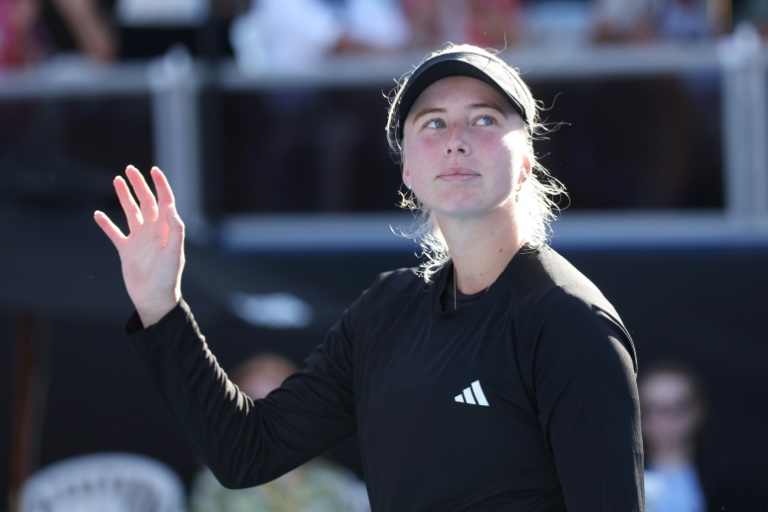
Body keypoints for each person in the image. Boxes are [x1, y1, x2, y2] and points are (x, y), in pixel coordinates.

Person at [93, 43, 644, 510]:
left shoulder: (570, 322)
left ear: (525, 159)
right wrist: (160, 306)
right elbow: (246, 453)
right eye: (433, 122)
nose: (456, 138)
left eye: (484, 119)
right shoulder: (385, 310)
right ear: (407, 168)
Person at [189, 353, 370, 511]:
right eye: (251, 403)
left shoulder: (333, 481)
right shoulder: (215, 484)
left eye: (274, 406)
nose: (263, 418)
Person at [639, 361, 708, 512]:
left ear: (697, 412)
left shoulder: (732, 485)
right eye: (651, 408)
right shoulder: (618, 482)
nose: (665, 419)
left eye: (678, 407)